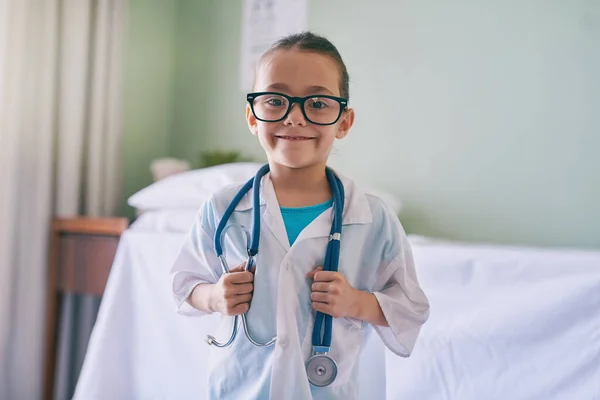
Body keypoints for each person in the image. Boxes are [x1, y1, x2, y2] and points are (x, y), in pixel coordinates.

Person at [170, 31, 430, 400]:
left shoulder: (371, 217)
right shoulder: (223, 208)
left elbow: (411, 308)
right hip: (241, 389)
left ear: (344, 121)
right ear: (252, 117)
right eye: (275, 100)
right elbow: (183, 285)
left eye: (318, 103)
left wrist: (356, 302)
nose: (294, 117)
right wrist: (214, 297)